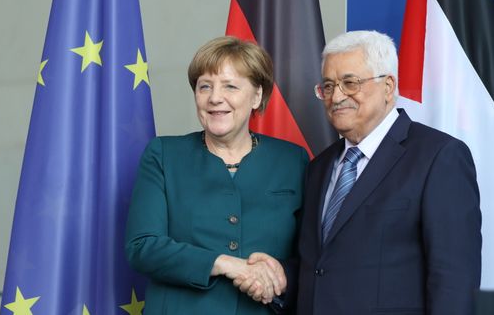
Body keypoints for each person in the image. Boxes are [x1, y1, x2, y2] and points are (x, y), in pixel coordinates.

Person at [239, 30, 482, 314]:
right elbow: (322, 265)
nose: (336, 96)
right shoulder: (318, 167)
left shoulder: (438, 156)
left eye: (350, 83)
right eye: (328, 86)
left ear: (388, 86)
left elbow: (454, 279)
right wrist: (282, 275)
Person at [125, 36, 308, 315]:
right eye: (205, 86)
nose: (214, 98)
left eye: (230, 86)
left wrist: (279, 275)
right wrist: (224, 263)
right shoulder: (163, 155)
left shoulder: (293, 160)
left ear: (257, 96)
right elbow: (142, 247)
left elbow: (312, 256)